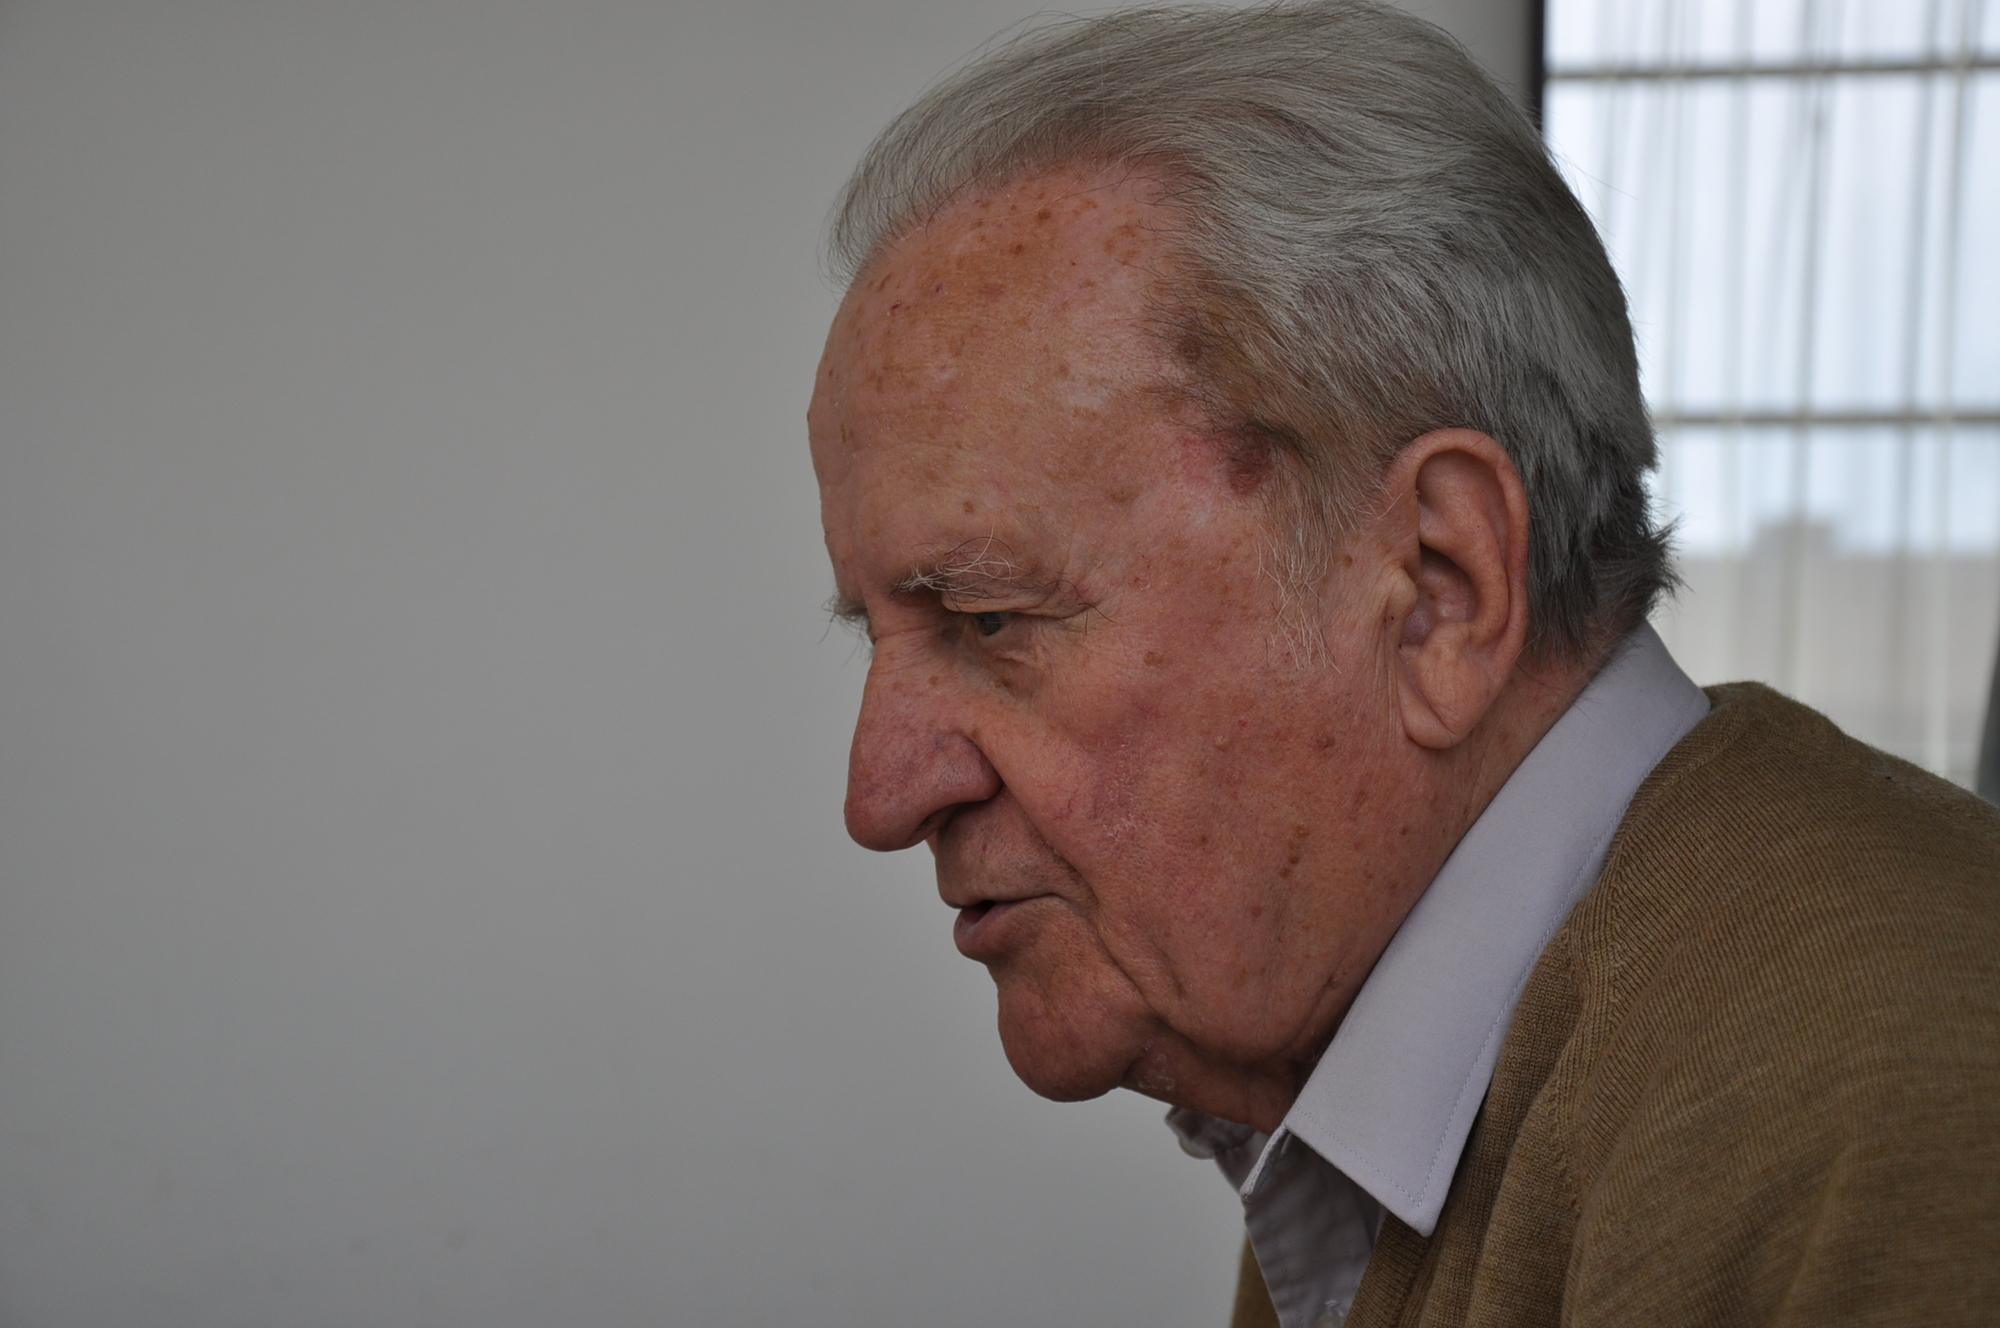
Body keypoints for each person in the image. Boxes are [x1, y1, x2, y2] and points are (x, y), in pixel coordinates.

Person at [805, 3, 2000, 1325]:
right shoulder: (1375, 1091)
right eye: (880, 633)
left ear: (1440, 590)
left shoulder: (1898, 1123)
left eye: (987, 620)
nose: (880, 796)